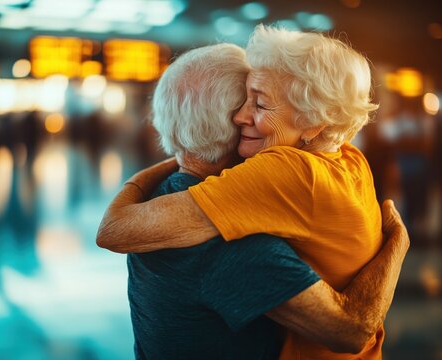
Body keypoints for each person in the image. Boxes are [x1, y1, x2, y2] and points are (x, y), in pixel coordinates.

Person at [97, 26, 393, 359]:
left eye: (260, 104)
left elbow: (116, 228)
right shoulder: (348, 160)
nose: (243, 115)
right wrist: (396, 246)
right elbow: (353, 331)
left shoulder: (157, 198)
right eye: (245, 100)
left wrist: (178, 156)